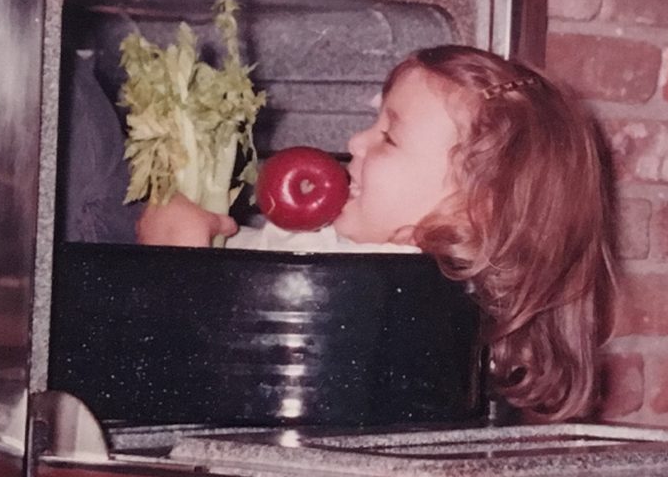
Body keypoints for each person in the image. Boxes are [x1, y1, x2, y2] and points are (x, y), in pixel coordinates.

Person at [137, 45, 618, 420]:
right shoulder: (357, 253)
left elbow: (227, 367)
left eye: (389, 137)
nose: (355, 141)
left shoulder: (388, 297)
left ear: (474, 208)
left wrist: (179, 264)